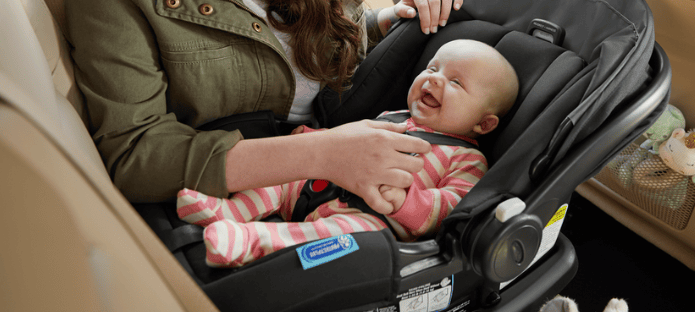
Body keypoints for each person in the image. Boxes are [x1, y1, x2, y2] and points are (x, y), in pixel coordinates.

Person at [64, 0, 466, 214]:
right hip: (223, 219)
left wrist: (394, 21)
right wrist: (323, 154)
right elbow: (136, 154)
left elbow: (316, 52)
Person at [176, 40, 519, 267]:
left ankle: (252, 241)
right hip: (322, 184)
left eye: (456, 82)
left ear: (484, 124)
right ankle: (230, 212)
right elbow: (347, 143)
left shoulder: (466, 159)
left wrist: (407, 202)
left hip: (371, 219)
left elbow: (452, 207)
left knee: (343, 235)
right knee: (284, 175)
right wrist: (316, 140)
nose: (435, 80)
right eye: (432, 68)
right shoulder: (393, 117)